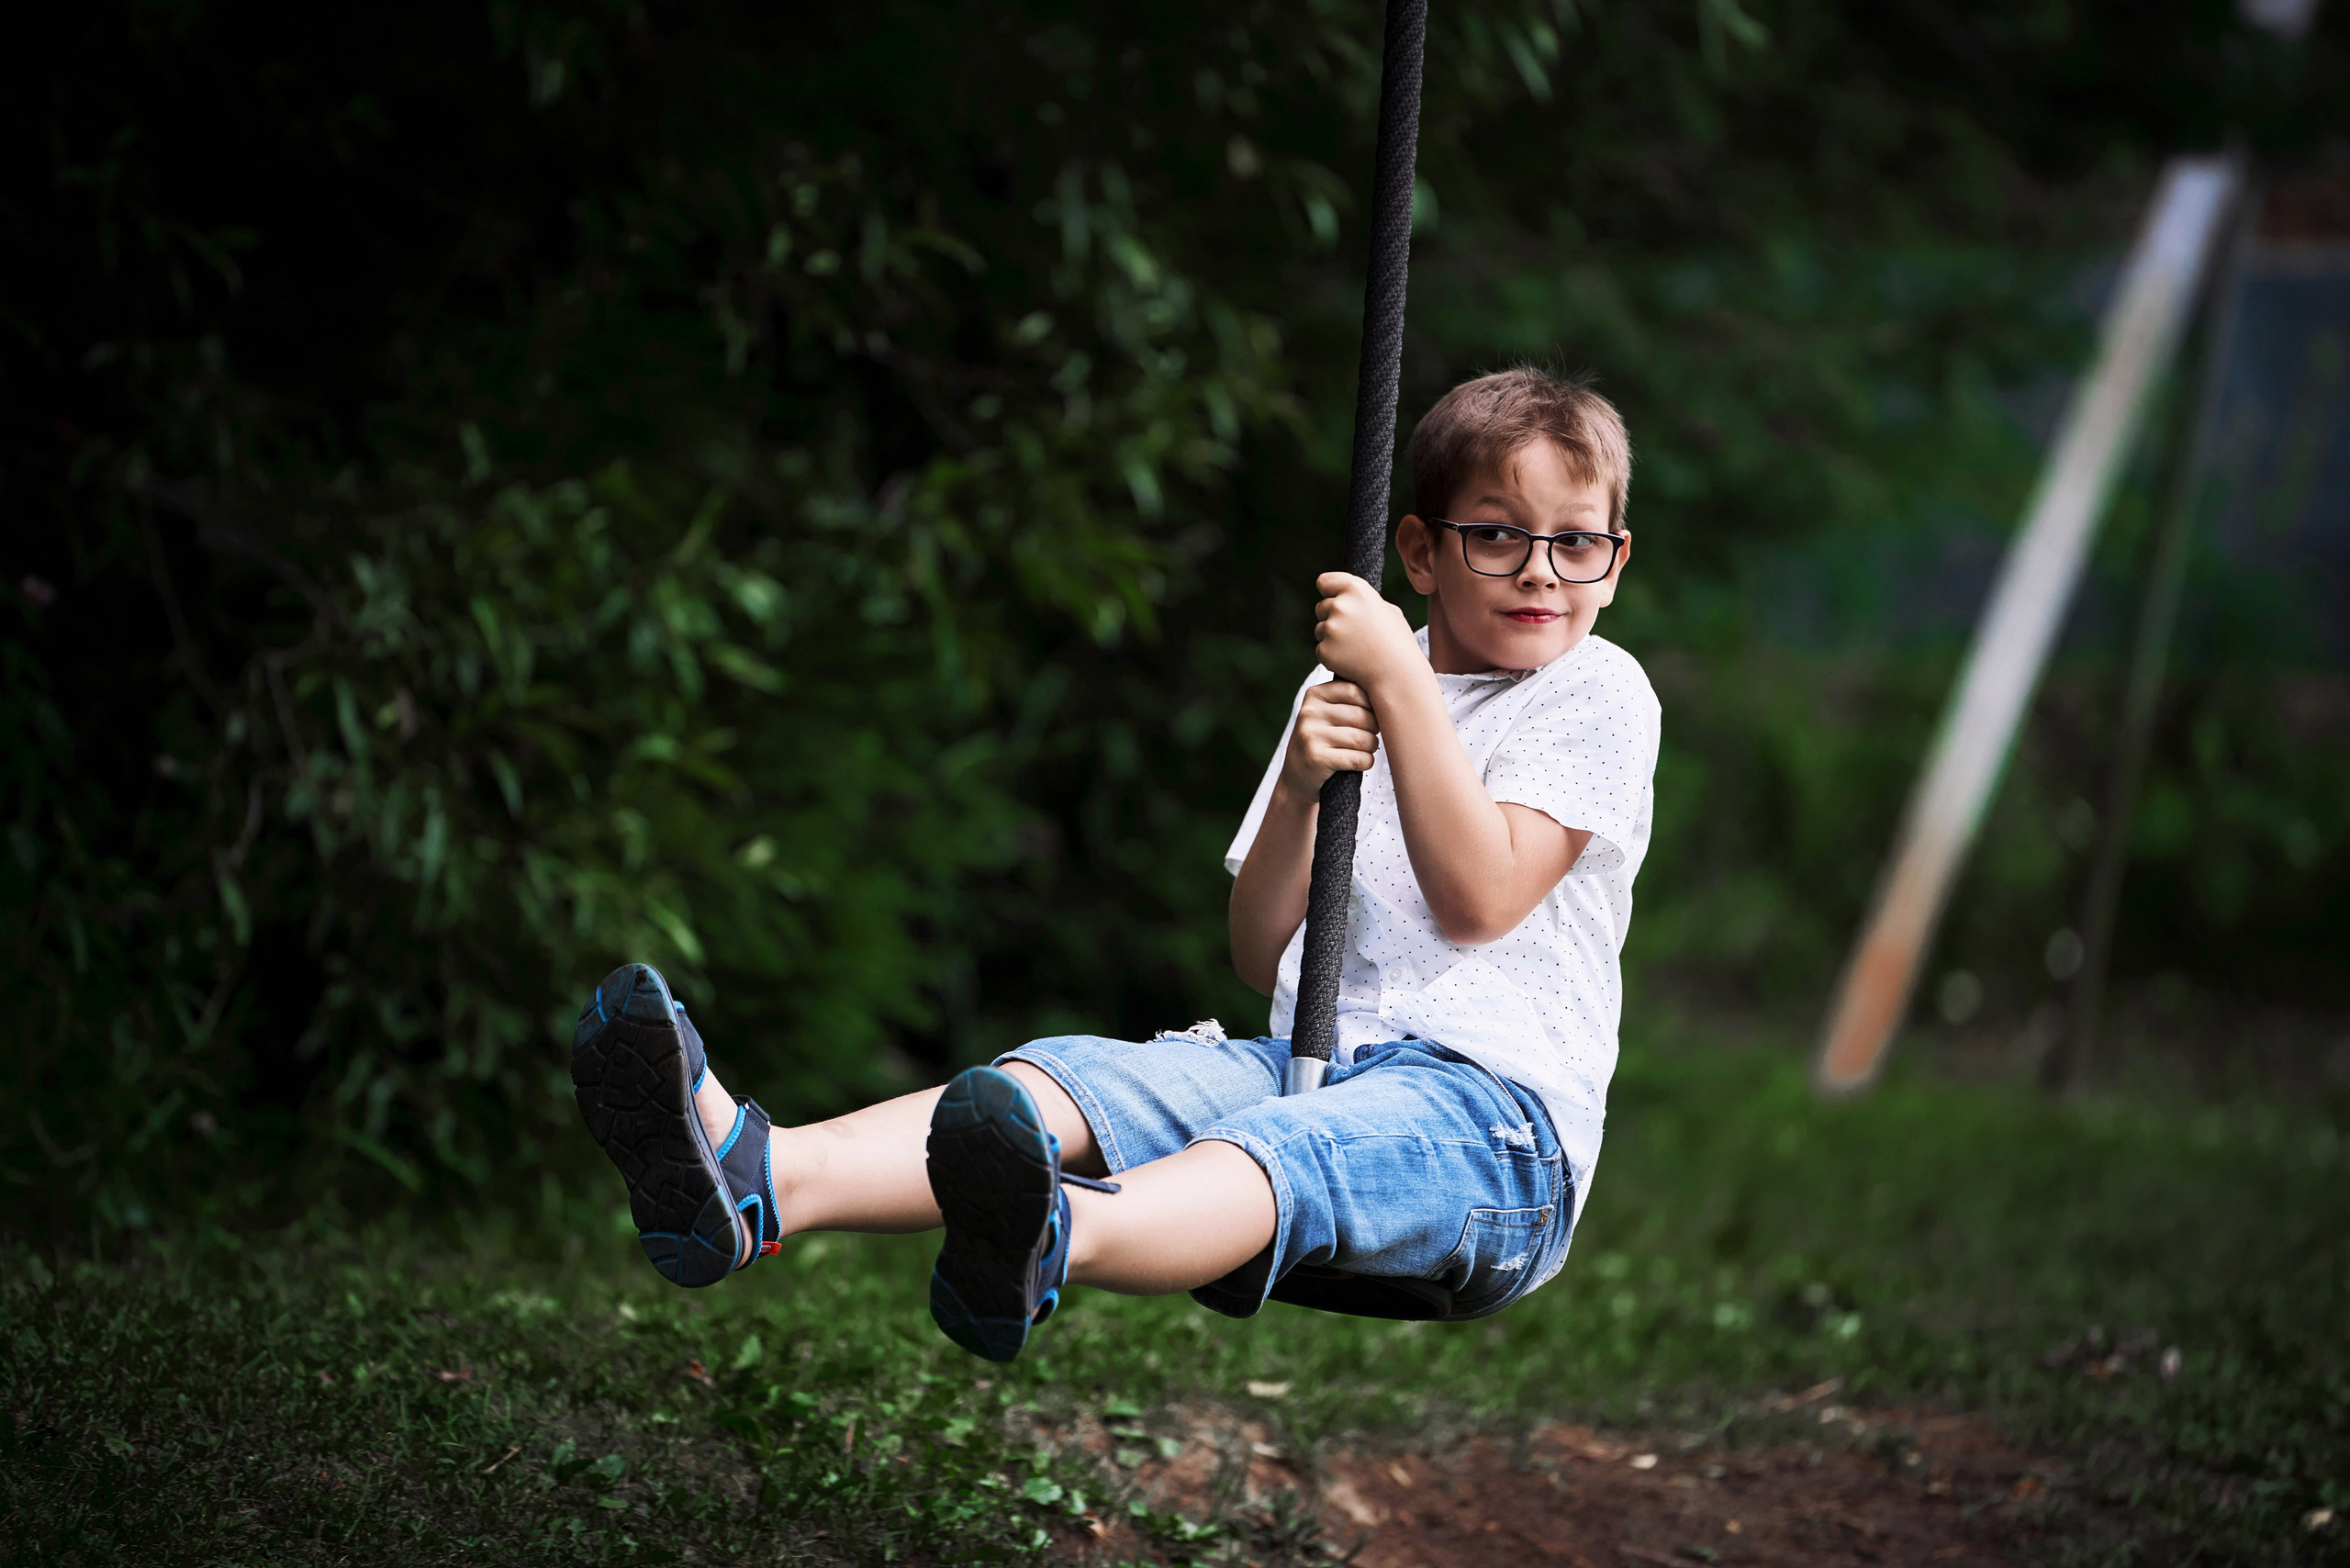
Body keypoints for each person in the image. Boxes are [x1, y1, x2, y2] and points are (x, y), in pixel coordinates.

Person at [571, 367, 1660, 1361]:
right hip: (1313, 1059)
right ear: (1419, 554)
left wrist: (1399, 683)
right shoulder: (1348, 683)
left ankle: (1054, 1231)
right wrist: (1295, 790)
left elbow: (1478, 899)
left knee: (1289, 1142)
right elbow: (1262, 952)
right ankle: (763, 1178)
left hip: (1493, 1131)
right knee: (1080, 1079)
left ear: (1613, 562)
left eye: (1576, 543)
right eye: (1497, 535)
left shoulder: (1594, 691)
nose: (1540, 570)